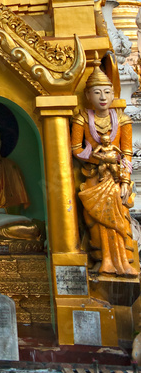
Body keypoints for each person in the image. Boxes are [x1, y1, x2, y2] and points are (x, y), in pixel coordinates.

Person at [71, 67, 136, 276]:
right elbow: (75, 149)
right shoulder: (82, 117)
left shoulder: (122, 120)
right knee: (94, 220)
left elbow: (127, 153)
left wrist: (125, 180)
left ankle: (122, 261)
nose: (102, 97)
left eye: (107, 92)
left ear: (113, 94)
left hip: (115, 179)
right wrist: (97, 157)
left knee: (120, 218)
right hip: (93, 176)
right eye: (97, 92)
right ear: (88, 95)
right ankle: (104, 259)